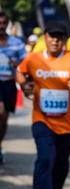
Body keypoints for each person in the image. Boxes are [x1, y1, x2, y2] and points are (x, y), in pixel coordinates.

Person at [16, 21, 70, 189]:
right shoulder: (33, 58)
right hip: (41, 120)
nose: (55, 41)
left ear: (65, 40)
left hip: (67, 123)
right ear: (45, 38)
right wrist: (24, 85)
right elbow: (20, 72)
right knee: (45, 159)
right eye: (51, 36)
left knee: (60, 163)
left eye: (59, 37)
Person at [0, 11, 27, 164]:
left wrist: (15, 63)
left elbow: (26, 62)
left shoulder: (16, 42)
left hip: (9, 83)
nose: (1, 27)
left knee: (4, 119)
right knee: (0, 111)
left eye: (4, 24)